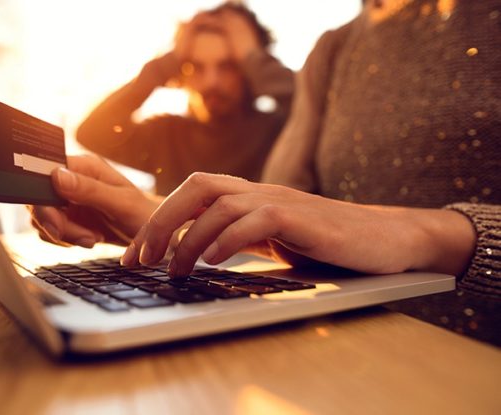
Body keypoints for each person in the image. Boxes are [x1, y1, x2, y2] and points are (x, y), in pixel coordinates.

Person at [31, 0, 501, 344]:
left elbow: (310, 204)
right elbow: (285, 219)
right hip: (337, 335)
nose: (213, 81)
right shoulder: (334, 47)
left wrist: (419, 233)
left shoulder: (276, 110)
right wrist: (152, 217)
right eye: (199, 67)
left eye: (231, 64)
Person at [76, 2, 294, 195]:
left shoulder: (282, 131)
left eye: (227, 66)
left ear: (248, 70)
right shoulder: (166, 136)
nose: (212, 82)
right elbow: (93, 132)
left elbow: (318, 114)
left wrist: (254, 58)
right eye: (196, 67)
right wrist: (169, 61)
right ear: (180, 70)